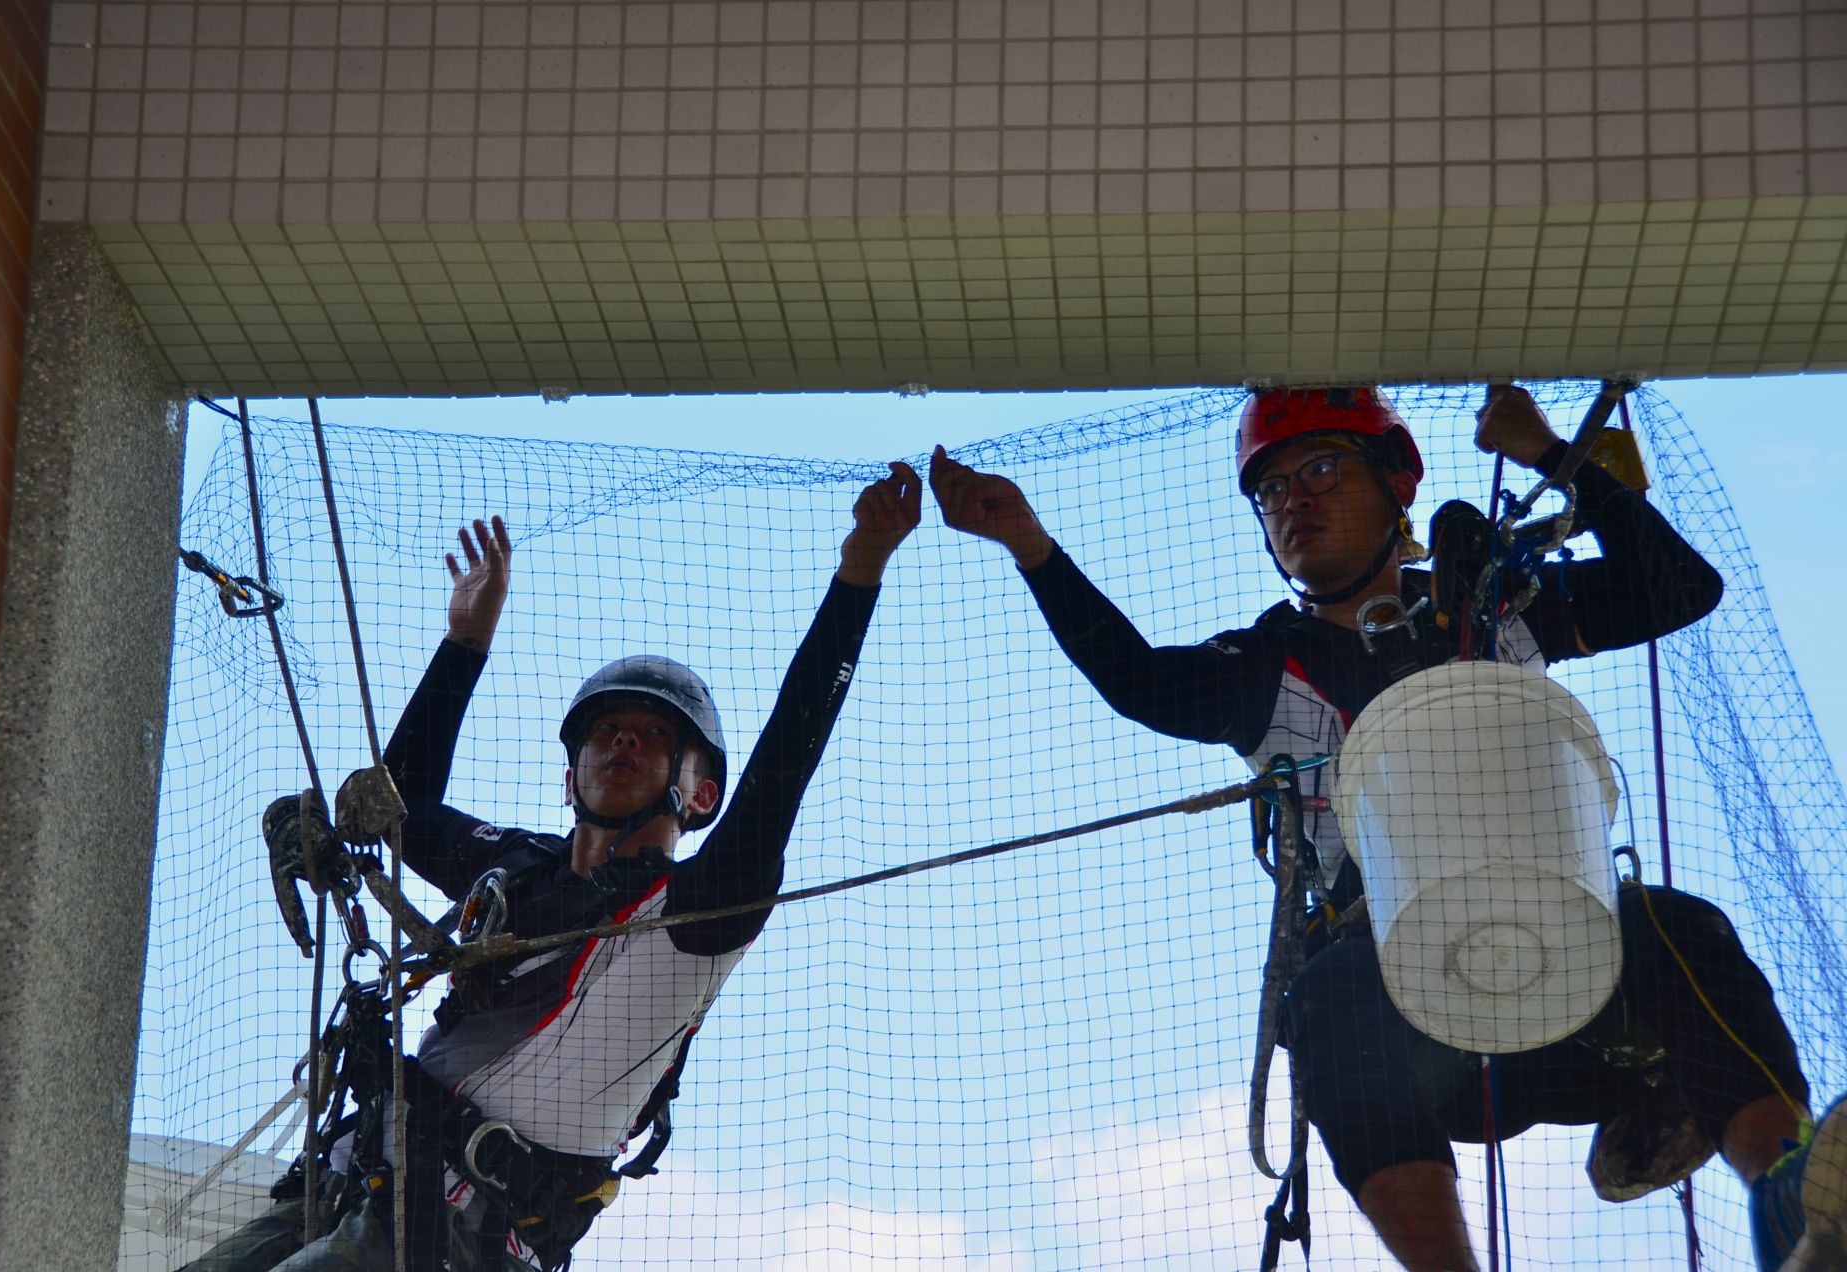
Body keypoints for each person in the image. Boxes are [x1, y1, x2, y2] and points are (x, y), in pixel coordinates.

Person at [930, 385, 1843, 1272]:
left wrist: (1555, 459)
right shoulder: (1269, 666)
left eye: (1321, 469)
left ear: (1394, 481)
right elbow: (1138, 680)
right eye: (1273, 490)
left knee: (1677, 930)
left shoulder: (1499, 606)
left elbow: (1680, 587)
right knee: (1327, 994)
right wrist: (1028, 544)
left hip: (1573, 987)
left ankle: (1788, 1203)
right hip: (1418, 1030)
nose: (1295, 503)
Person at [185, 463, 922, 1271]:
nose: (624, 741)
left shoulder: (696, 914)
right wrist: (464, 644)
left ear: (702, 793)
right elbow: (401, 813)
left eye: (651, 734)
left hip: (456, 1239)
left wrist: (860, 574)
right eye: (606, 731)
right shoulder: (516, 871)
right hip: (350, 1186)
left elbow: (787, 759)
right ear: (568, 776)